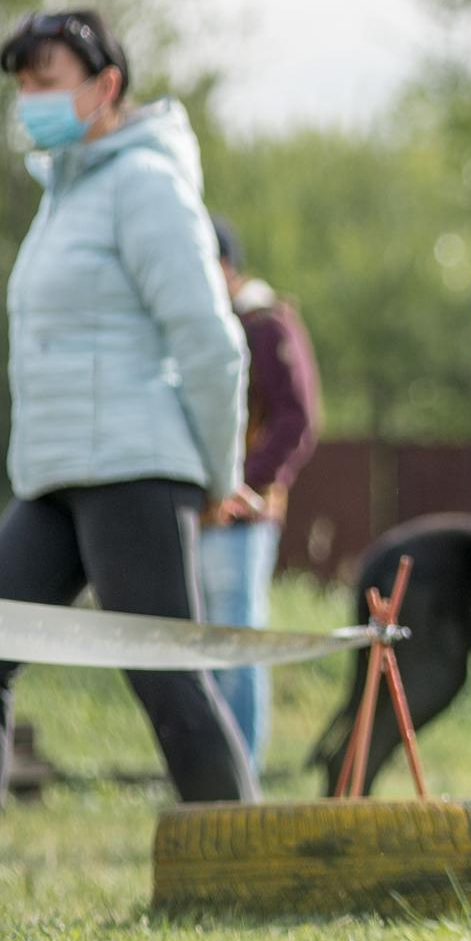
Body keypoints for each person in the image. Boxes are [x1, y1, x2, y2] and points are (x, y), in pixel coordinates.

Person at [0, 10, 257, 872]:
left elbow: (210, 341)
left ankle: (254, 872)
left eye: (48, 80)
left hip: (137, 469)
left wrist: (220, 476)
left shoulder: (145, 183)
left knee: (165, 674)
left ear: (105, 88)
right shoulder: (65, 192)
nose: (31, 99)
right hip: (58, 476)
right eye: (23, 84)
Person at [199, 213, 322, 767]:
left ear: (225, 267)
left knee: (239, 642)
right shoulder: (216, 322)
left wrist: (243, 485)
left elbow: (297, 419)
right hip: (204, 515)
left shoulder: (265, 324)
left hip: (241, 517)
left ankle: (239, 769)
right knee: (208, 645)